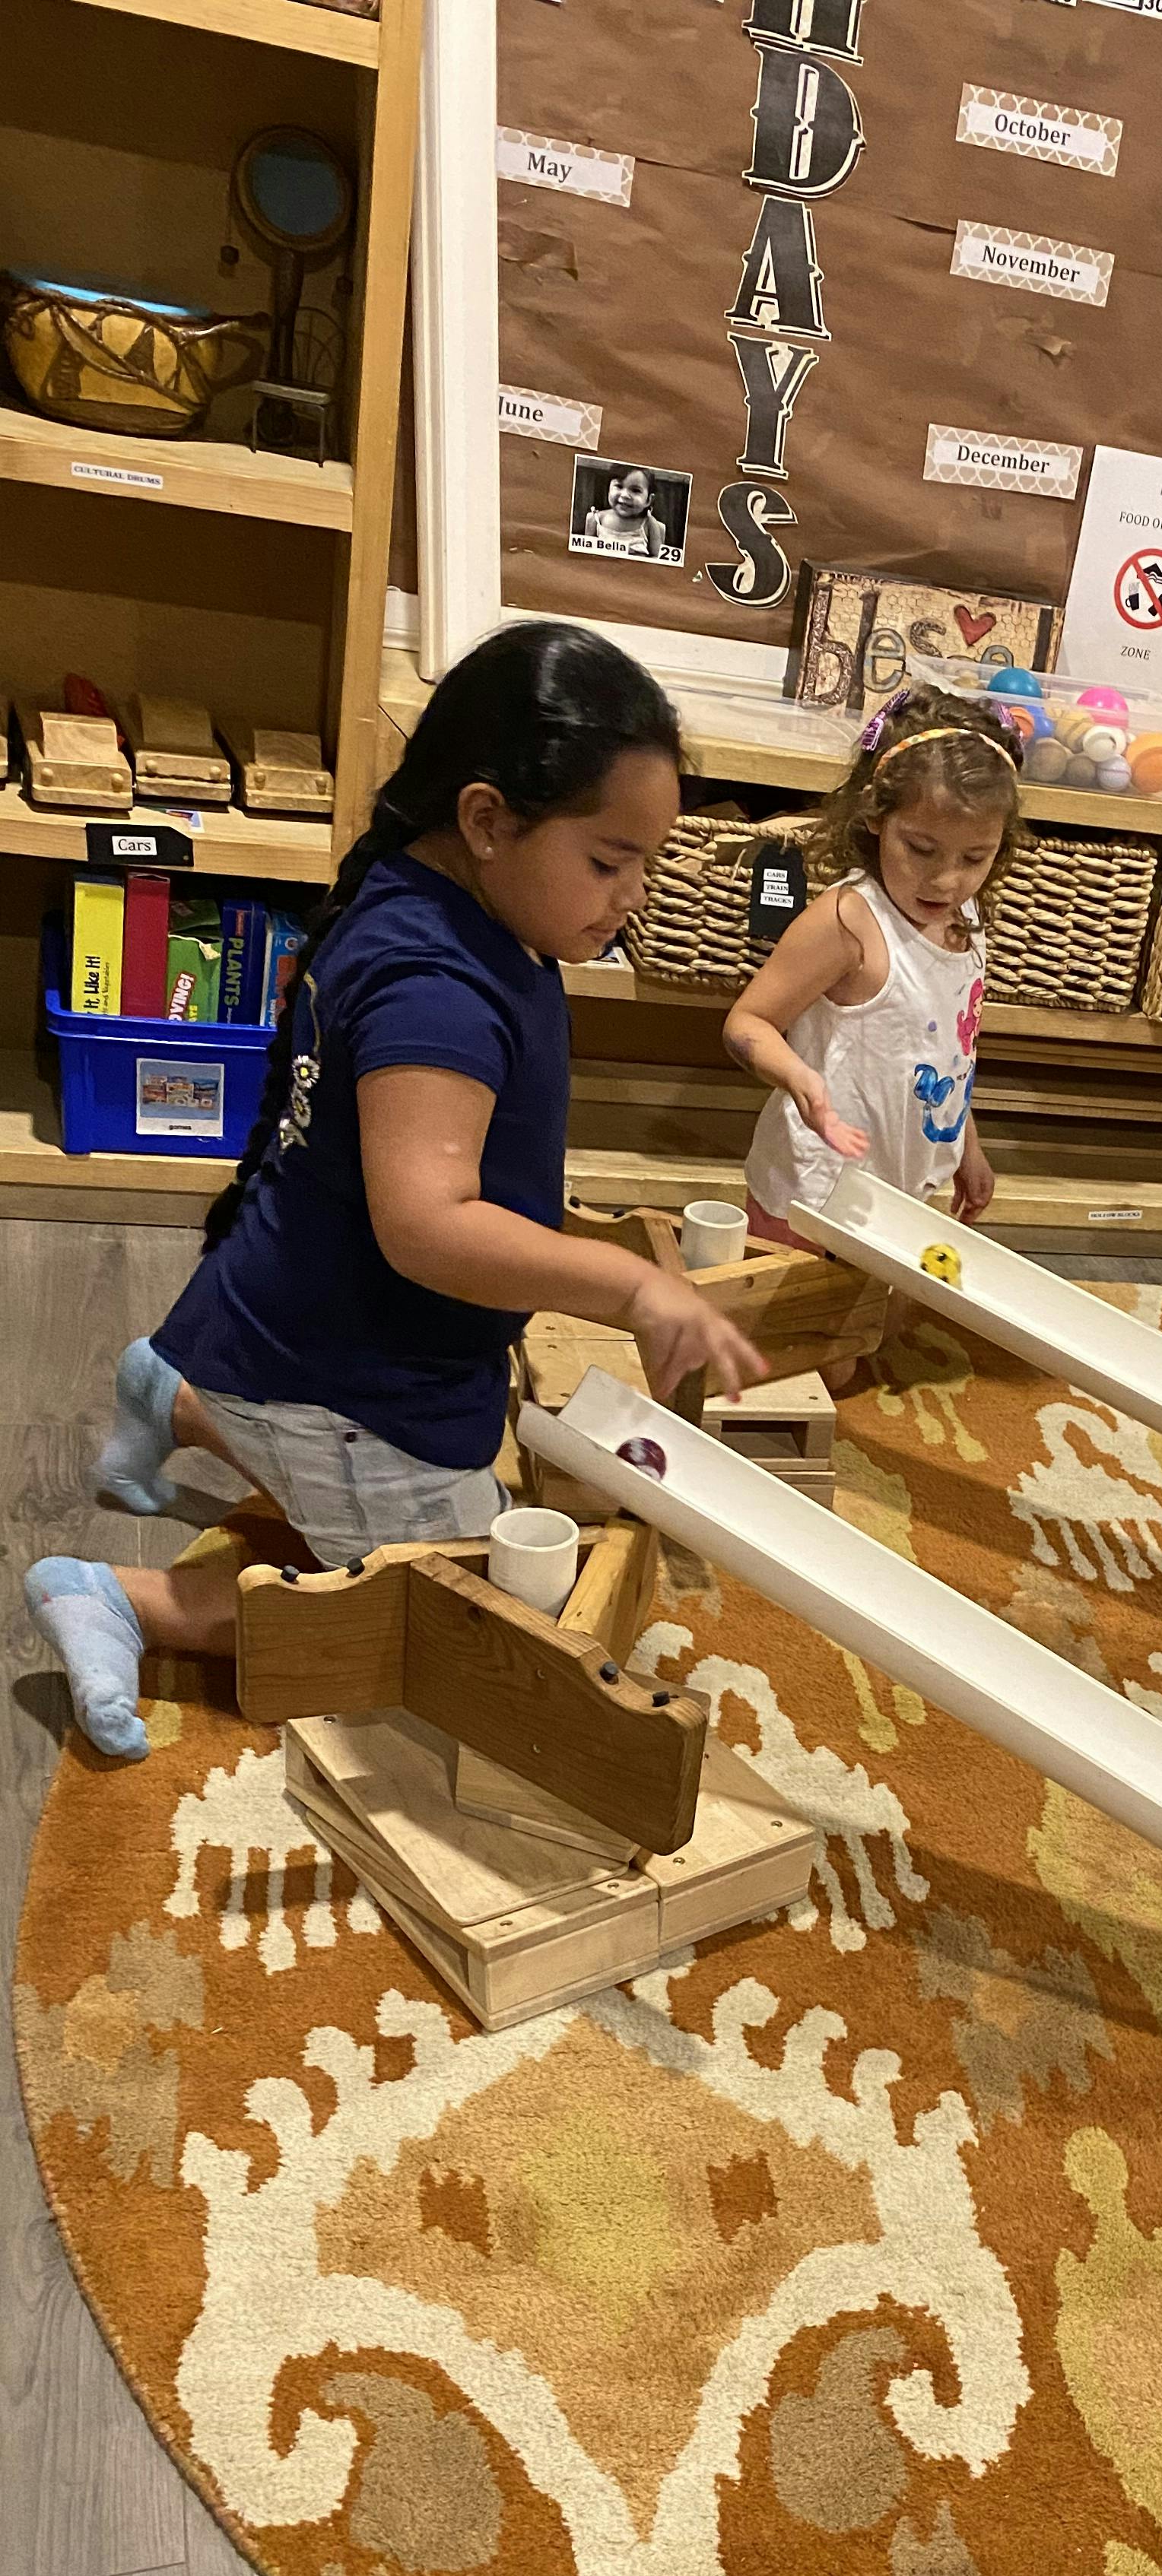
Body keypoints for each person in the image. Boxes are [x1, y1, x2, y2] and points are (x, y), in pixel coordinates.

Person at [26, 620, 766, 1763]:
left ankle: (179, 1401)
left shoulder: (444, 899)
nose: (631, 898)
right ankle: (122, 1599)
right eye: (608, 863)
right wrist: (628, 1288)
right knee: (448, 1615)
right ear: (487, 820)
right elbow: (427, 1229)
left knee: (429, 1501)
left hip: (302, 1321)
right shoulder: (435, 985)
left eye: (645, 867)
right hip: (348, 1373)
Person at [725, 682, 1021, 1261]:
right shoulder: (848, 921)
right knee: (789, 1316)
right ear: (877, 817)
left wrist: (968, 1148)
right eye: (921, 848)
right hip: (812, 1194)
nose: (946, 880)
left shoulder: (966, 918)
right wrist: (798, 1077)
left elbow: (950, 1054)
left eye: (974, 858)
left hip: (896, 1195)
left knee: (865, 1315)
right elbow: (748, 1022)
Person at [581, 465, 670, 561]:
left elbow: (657, 558)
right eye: (619, 486)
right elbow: (586, 555)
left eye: (636, 490)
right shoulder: (596, 520)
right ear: (608, 490)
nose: (625, 495)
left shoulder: (649, 524)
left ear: (649, 500)